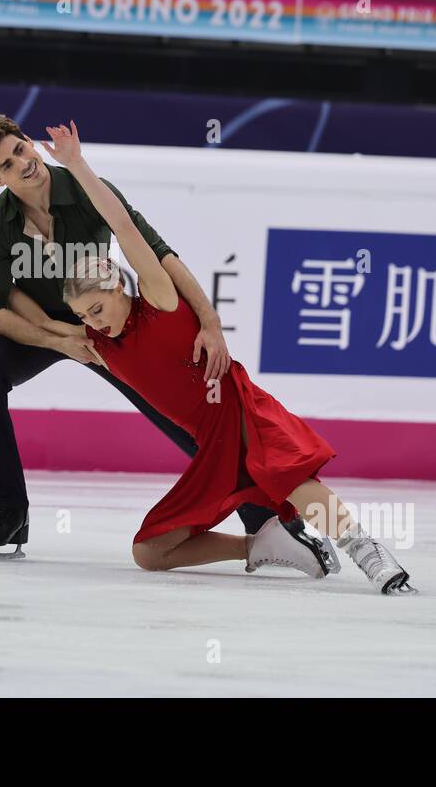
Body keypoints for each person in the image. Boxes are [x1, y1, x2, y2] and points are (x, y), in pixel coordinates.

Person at [47, 120, 417, 593]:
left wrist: (77, 166)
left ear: (120, 286)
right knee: (149, 552)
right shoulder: (98, 345)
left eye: (97, 308)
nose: (94, 321)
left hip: (238, 408)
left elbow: (122, 224)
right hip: (212, 447)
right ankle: (260, 547)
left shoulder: (160, 300)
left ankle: (368, 552)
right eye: (83, 315)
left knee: (287, 473)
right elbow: (19, 323)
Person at [0, 113, 312, 559]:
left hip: (104, 322)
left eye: (19, 149)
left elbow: (159, 251)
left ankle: (264, 517)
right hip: (44, 329)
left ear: (30, 142)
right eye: (6, 166)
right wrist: (60, 338)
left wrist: (209, 320)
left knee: (180, 407)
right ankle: (8, 512)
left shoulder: (89, 190)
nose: (22, 163)